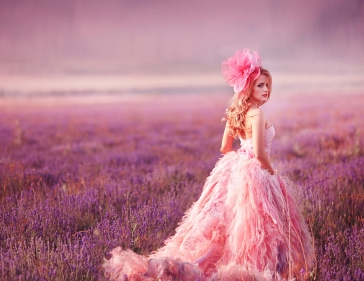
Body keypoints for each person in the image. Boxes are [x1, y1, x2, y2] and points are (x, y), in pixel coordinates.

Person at [103, 49, 314, 281]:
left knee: (225, 223)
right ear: (248, 88)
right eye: (260, 85)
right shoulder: (257, 115)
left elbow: (225, 147)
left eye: (267, 85)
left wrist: (240, 157)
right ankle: (257, 271)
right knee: (259, 230)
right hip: (257, 171)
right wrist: (271, 172)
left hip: (237, 168)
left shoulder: (237, 113)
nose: (266, 90)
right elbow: (262, 153)